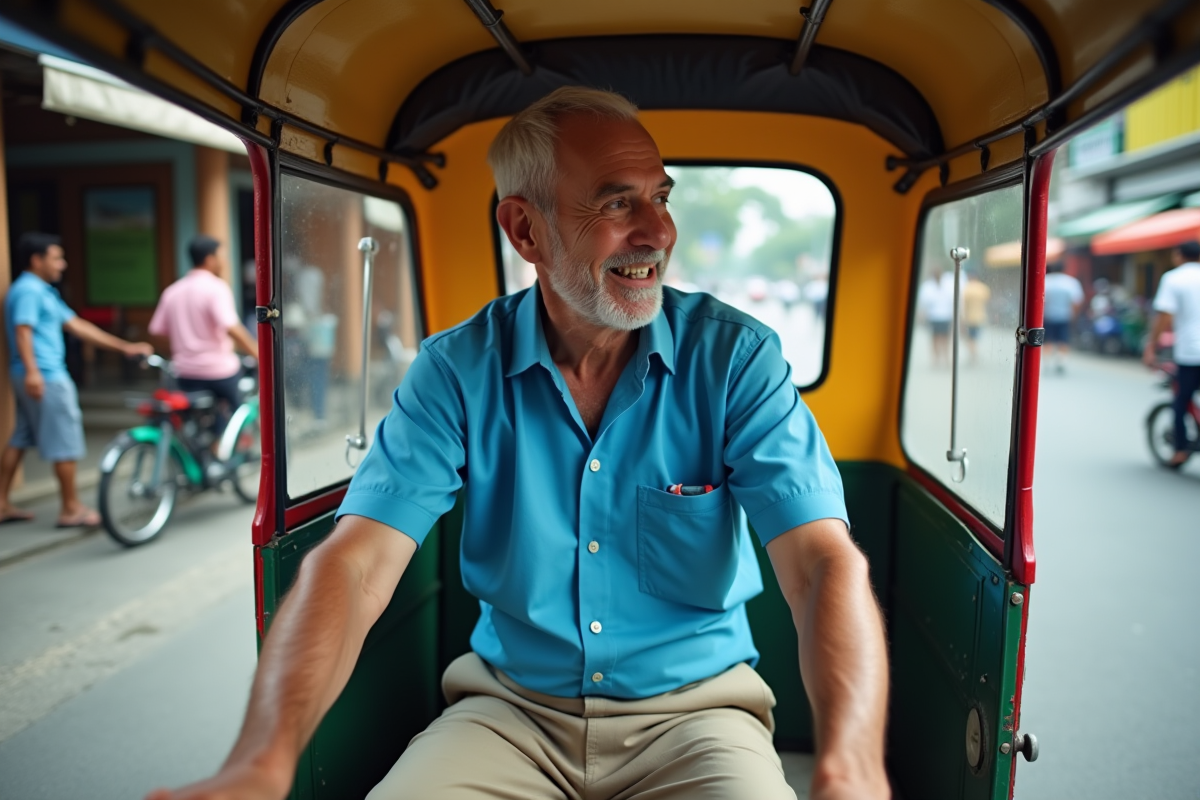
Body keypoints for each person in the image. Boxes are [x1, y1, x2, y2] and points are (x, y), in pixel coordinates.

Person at [149, 87, 888, 800]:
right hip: (509, 715)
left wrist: (851, 767)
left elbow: (820, 565)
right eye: (615, 202)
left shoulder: (734, 359)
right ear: (524, 230)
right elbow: (356, 564)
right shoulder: (455, 369)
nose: (657, 232)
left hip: (698, 717)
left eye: (659, 198)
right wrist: (263, 763)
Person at [0, 232, 153, 527]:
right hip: (45, 376)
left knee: (20, 437)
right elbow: (23, 330)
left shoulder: (40, 291)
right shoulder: (30, 291)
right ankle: (70, 509)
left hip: (34, 375)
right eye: (56, 257)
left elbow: (79, 327)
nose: (63, 264)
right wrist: (33, 371)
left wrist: (125, 347)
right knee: (65, 442)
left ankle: (3, 503)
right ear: (37, 259)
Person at [149, 235, 257, 440]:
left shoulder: (173, 291)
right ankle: (222, 446)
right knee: (237, 411)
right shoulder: (216, 288)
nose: (225, 262)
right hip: (218, 373)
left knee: (196, 417)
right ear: (209, 259)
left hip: (185, 373)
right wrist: (258, 353)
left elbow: (157, 331)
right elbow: (232, 328)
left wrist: (184, 345)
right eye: (222, 256)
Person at [1143, 240, 1200, 467]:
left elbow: (1164, 316)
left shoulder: (1174, 278)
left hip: (1191, 352)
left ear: (1178, 255)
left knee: (1180, 400)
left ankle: (1180, 449)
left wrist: (1151, 346)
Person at [1043, 262, 1084, 373]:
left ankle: (1046, 361)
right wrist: (1074, 315)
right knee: (1063, 340)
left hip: (1048, 316)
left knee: (1048, 340)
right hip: (1065, 316)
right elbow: (1076, 302)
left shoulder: (1046, 281)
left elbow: (1041, 301)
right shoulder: (1070, 282)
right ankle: (1061, 361)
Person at [917, 265, 955, 365]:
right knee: (937, 339)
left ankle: (943, 359)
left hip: (944, 316)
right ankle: (937, 359)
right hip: (936, 317)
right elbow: (924, 302)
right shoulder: (929, 286)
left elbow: (952, 300)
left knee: (942, 339)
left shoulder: (946, 285)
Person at [962, 269, 990, 365]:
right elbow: (987, 302)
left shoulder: (967, 288)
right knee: (975, 337)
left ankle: (973, 354)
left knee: (970, 338)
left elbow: (964, 304)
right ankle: (974, 353)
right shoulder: (983, 288)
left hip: (969, 317)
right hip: (980, 317)